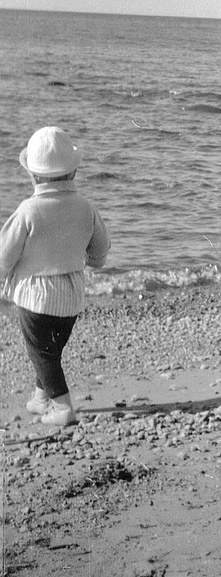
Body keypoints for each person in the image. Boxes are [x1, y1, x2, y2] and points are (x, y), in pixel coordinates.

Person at [0, 126, 111, 427]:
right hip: (71, 295)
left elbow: (4, 254)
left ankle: (62, 407)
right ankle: (41, 397)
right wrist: (93, 260)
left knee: (41, 352)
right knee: (51, 349)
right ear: (73, 171)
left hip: (35, 298)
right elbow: (100, 249)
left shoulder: (28, 210)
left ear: (32, 175)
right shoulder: (85, 207)